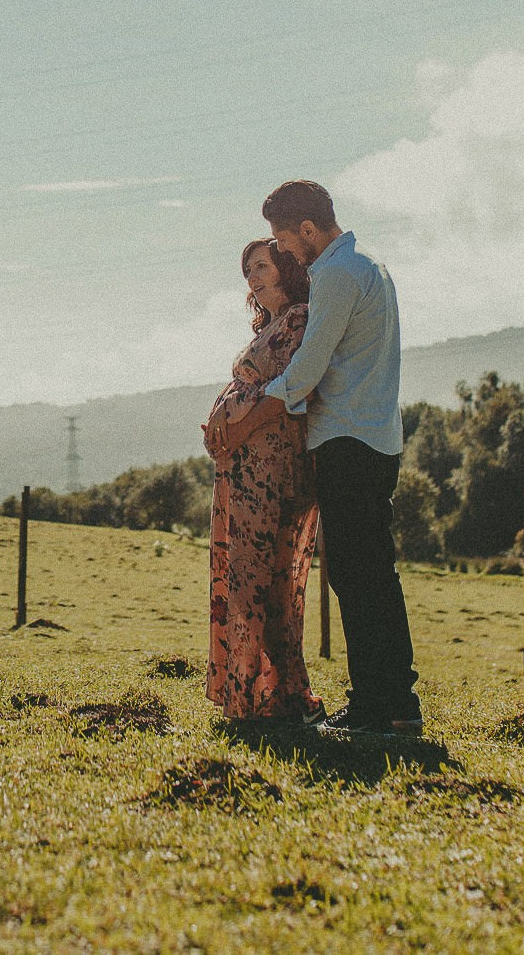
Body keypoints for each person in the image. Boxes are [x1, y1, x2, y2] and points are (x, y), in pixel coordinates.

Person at [250, 179, 421, 735]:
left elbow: (308, 367)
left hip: (349, 440)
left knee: (358, 575)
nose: (282, 252)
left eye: (284, 239)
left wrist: (249, 415)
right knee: (369, 574)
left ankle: (383, 705)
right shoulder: (370, 267)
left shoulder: (337, 275)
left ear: (307, 229)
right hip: (374, 437)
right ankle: (387, 700)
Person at [201, 237, 324, 726]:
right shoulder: (267, 326)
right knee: (241, 573)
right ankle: (253, 695)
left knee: (264, 577)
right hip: (243, 465)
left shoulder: (299, 319)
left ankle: (274, 696)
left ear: (286, 269)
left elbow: (286, 386)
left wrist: (233, 417)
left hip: (272, 463)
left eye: (261, 265)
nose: (252, 275)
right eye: (246, 268)